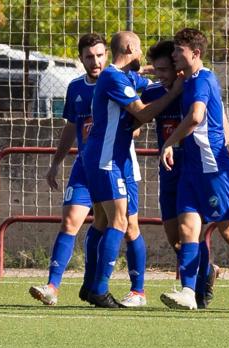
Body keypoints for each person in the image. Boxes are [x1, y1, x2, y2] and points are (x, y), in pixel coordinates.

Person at [28, 33, 147, 308]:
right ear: (81, 59)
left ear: (107, 54)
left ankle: (136, 290)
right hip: (86, 165)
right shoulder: (76, 88)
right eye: (89, 57)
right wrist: (57, 162)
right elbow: (71, 127)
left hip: (117, 163)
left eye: (99, 55)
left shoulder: (121, 79)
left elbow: (139, 120)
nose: (95, 61)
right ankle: (53, 287)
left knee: (128, 226)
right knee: (71, 221)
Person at [159, 28, 229, 310]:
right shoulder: (192, 80)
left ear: (195, 53)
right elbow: (223, 124)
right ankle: (188, 292)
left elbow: (196, 116)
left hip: (212, 171)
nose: (173, 56)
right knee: (187, 229)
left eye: (178, 51)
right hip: (192, 171)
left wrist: (170, 142)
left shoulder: (203, 80)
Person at [82, 31, 183, 308]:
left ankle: (98, 285)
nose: (141, 54)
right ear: (129, 47)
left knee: (108, 222)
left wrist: (171, 72)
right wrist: (175, 91)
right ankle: (99, 289)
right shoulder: (112, 76)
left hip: (119, 159)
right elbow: (143, 112)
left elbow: (148, 78)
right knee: (118, 222)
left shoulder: (126, 76)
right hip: (106, 159)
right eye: (138, 49)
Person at [141, 40, 220, 309]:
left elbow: (215, 120)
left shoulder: (195, 87)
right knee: (174, 237)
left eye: (165, 69)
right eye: (157, 70)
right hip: (168, 171)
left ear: (178, 68)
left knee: (189, 232)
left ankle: (194, 289)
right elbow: (135, 110)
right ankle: (207, 269)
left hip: (192, 168)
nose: (160, 74)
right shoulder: (157, 92)